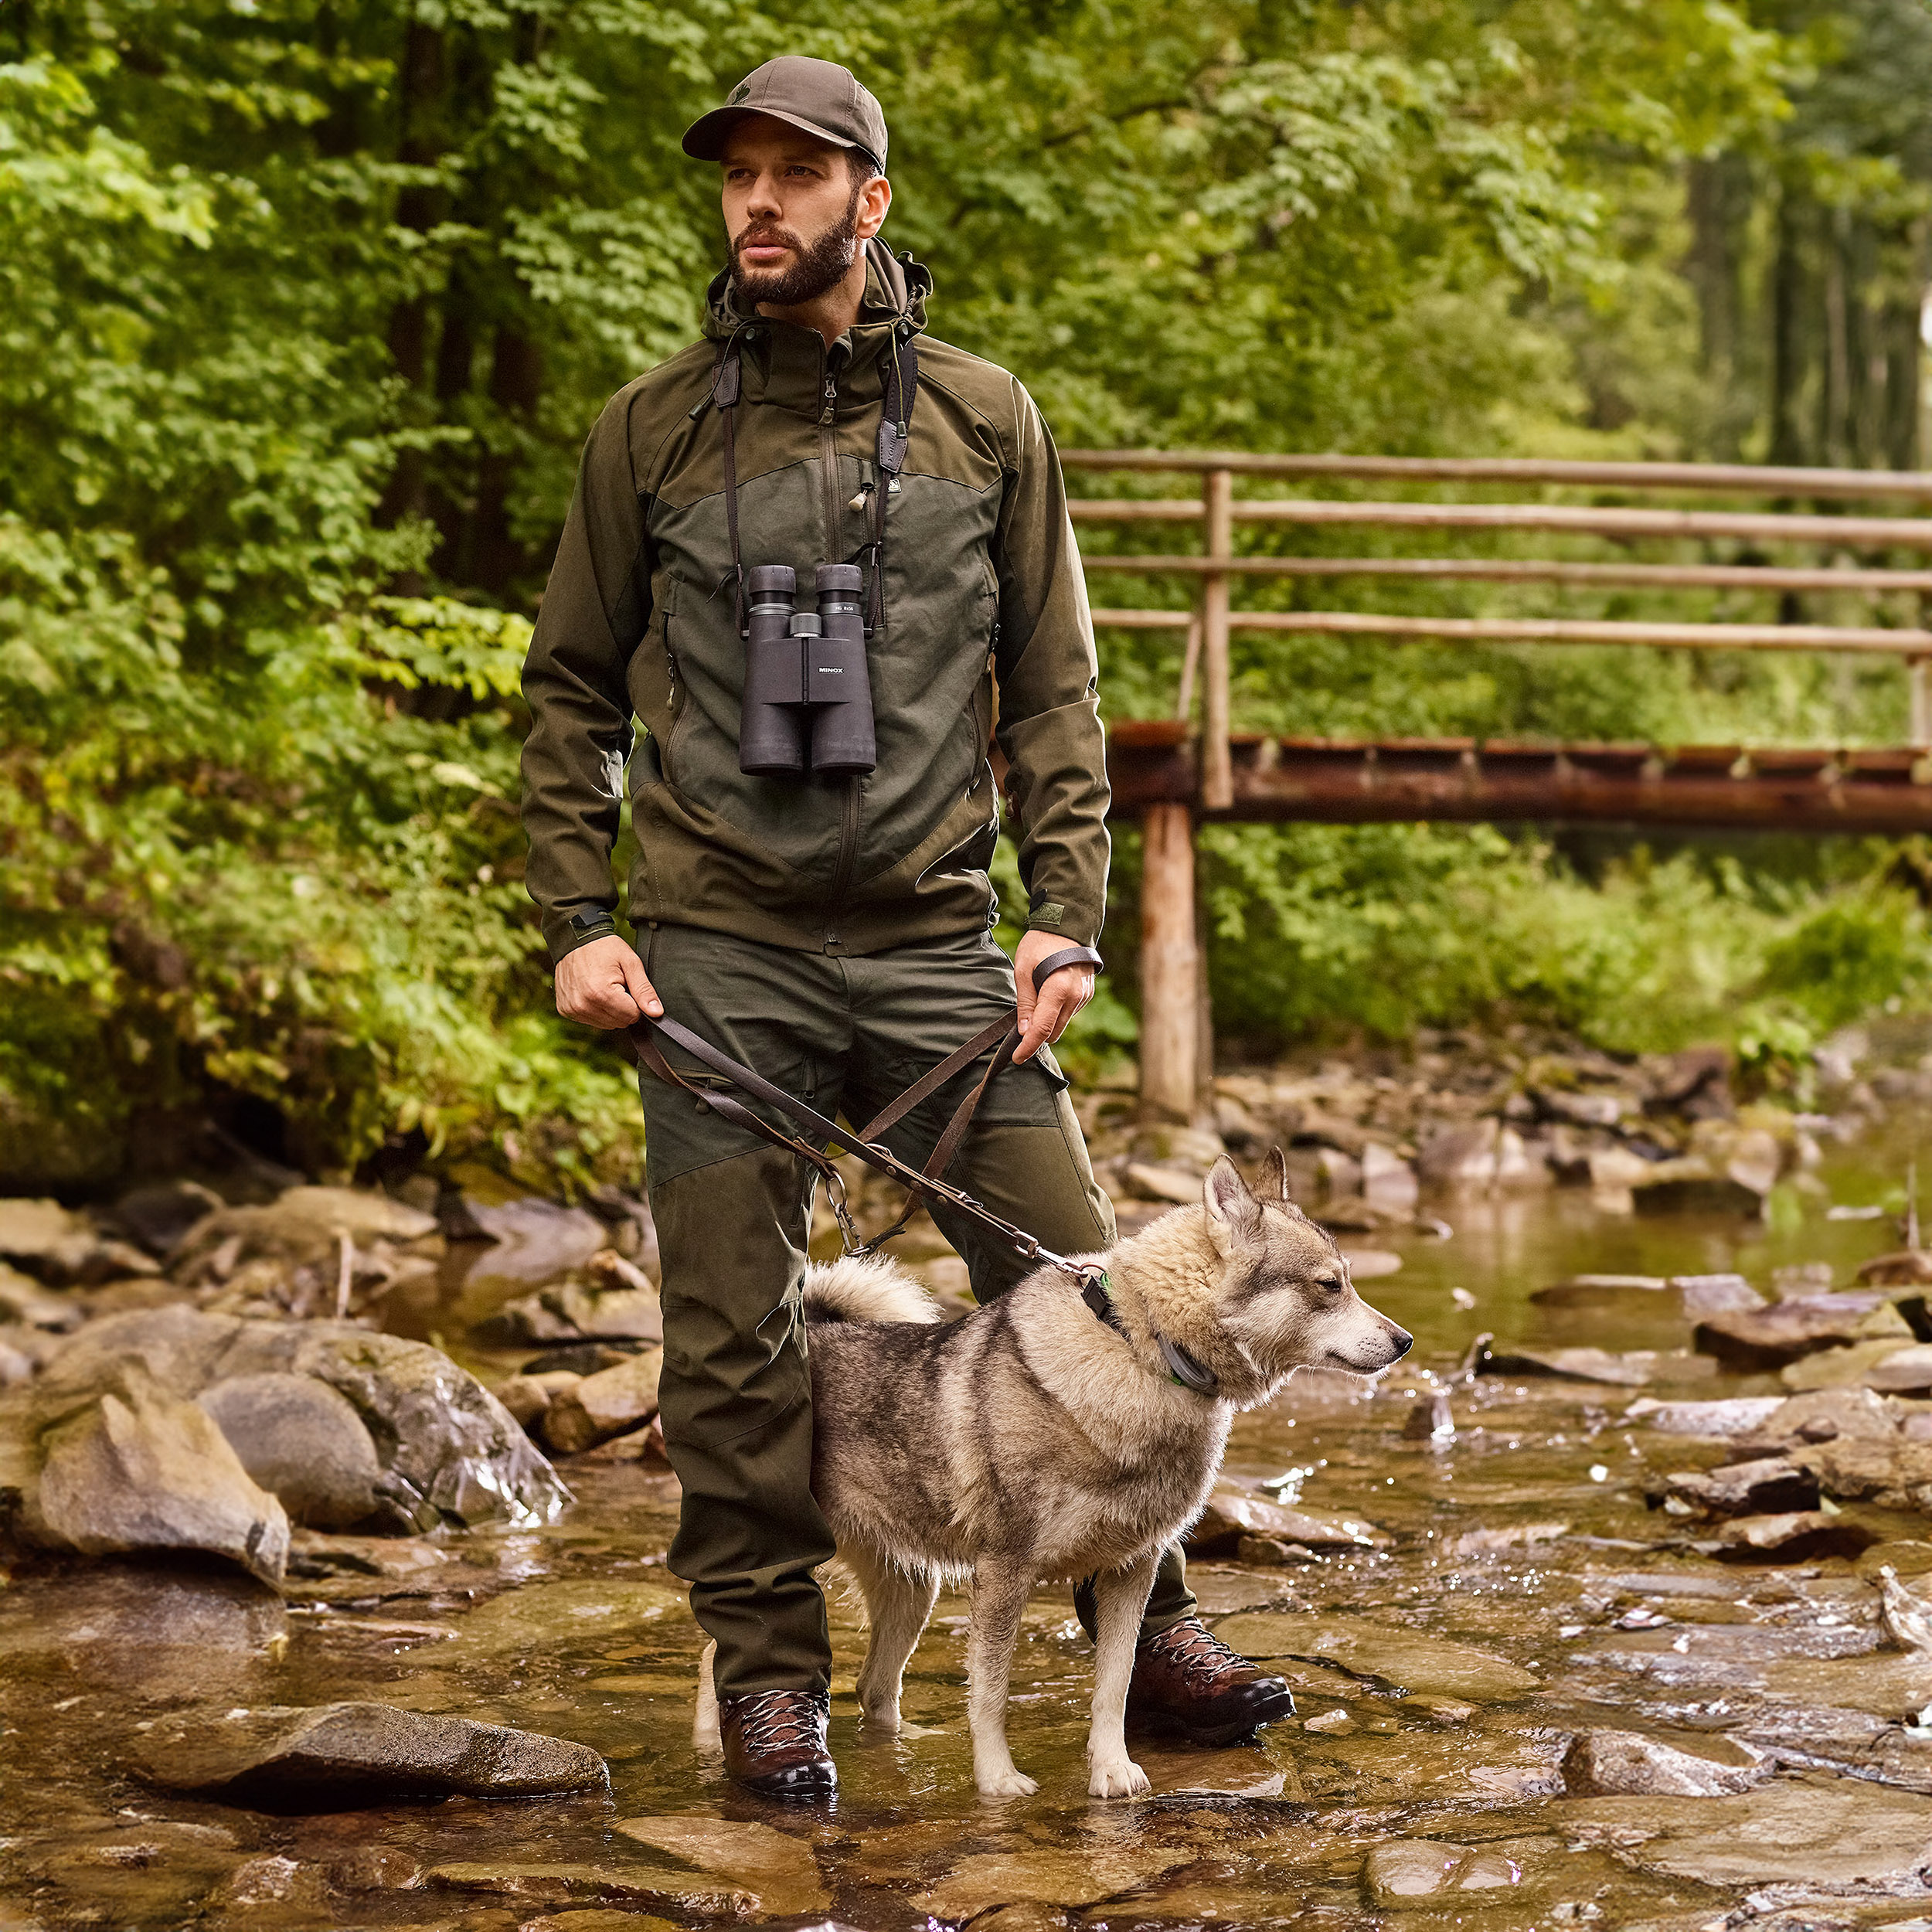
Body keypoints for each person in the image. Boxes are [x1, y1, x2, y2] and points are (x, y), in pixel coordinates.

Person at [519, 53, 1294, 1799]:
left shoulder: (981, 419)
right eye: (738, 176)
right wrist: (578, 913)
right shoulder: (643, 432)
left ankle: (1145, 1612)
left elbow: (1053, 694)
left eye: (797, 174)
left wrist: (1065, 920)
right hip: (715, 947)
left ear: (868, 201)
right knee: (729, 1337)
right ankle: (769, 1670)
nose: (757, 202)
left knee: (1084, 1282)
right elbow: (567, 692)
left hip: (941, 946)